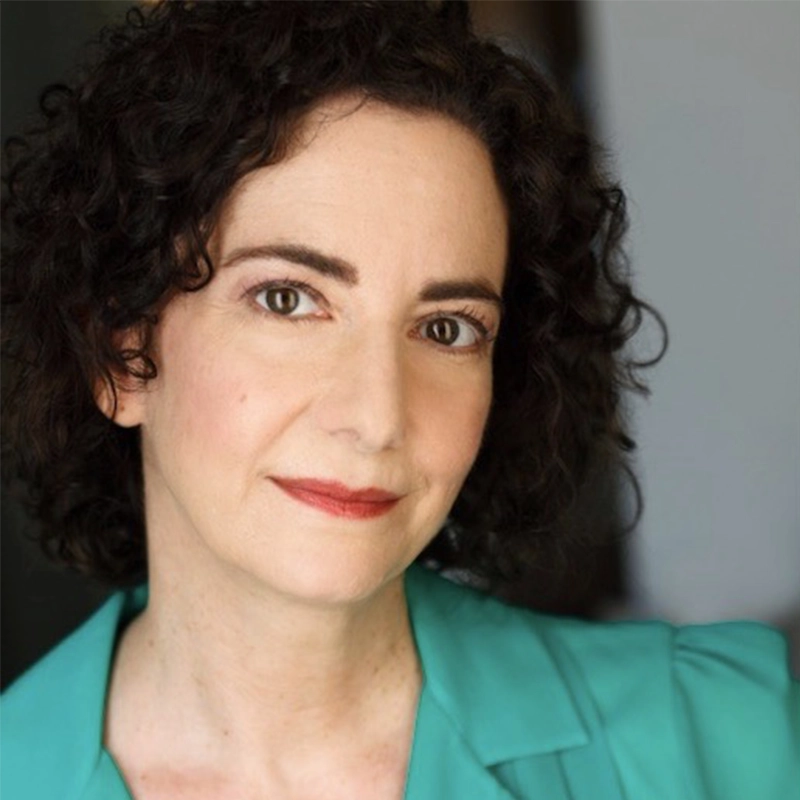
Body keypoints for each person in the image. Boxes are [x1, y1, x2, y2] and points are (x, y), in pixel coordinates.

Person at [1, 3, 797, 799]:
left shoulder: (717, 737)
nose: (377, 417)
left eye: (447, 328)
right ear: (122, 355)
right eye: (287, 299)